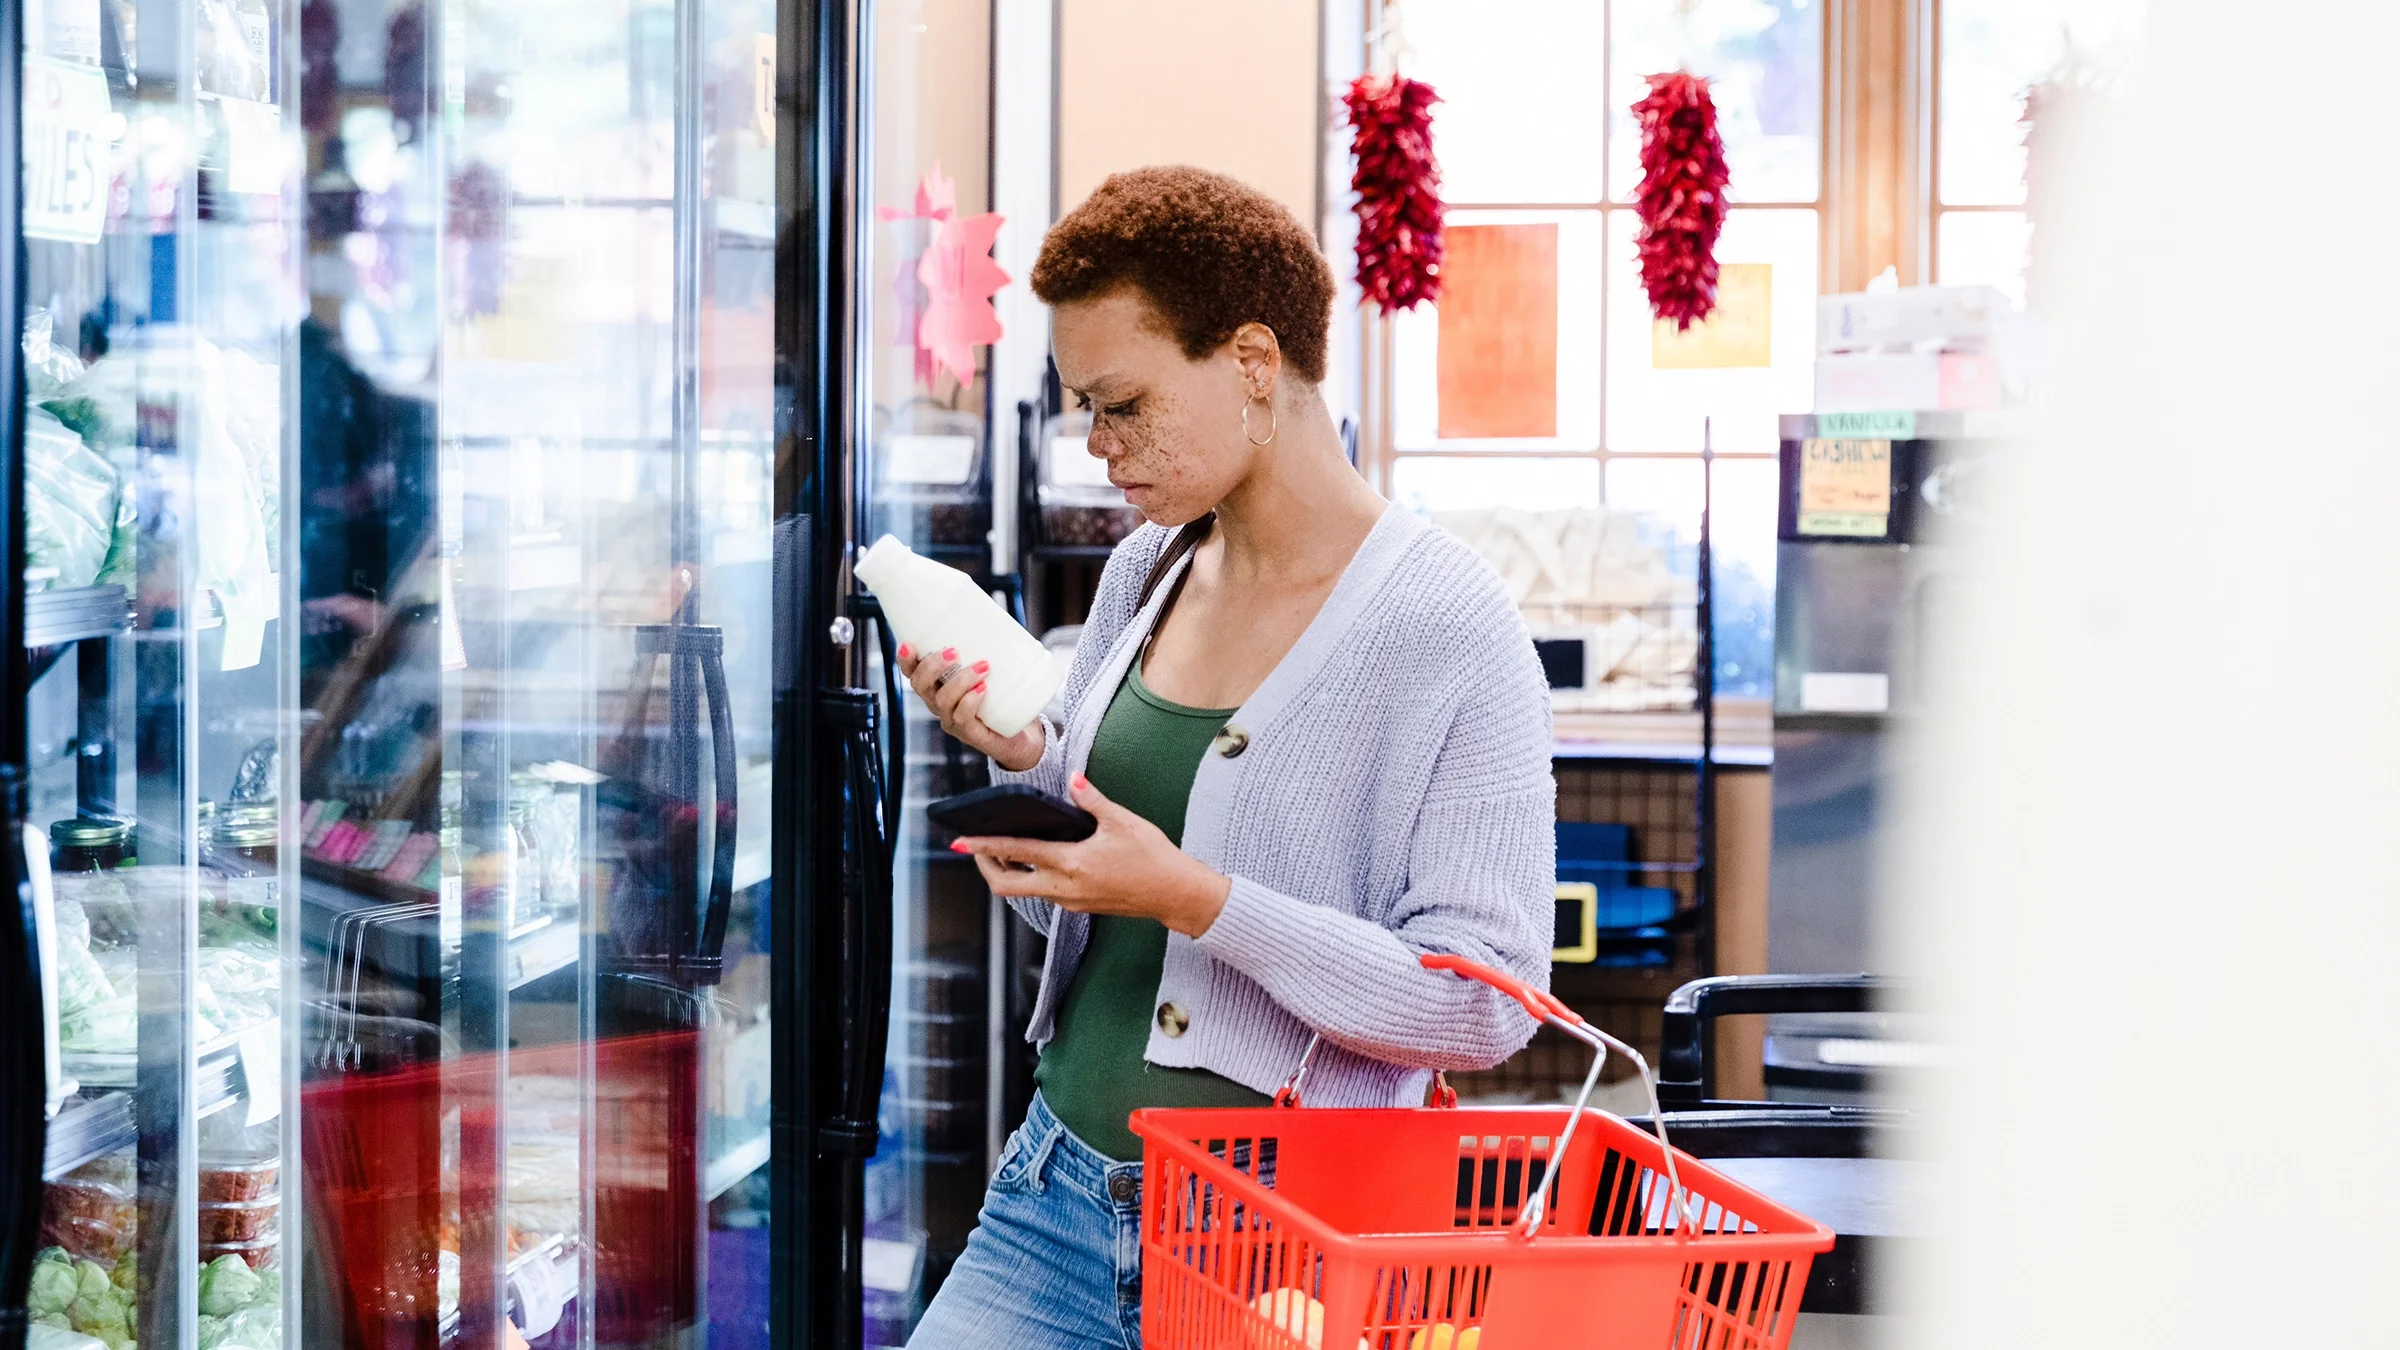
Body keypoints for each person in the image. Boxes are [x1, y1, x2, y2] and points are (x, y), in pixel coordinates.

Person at [899, 165, 1555, 1350]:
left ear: (1254, 363)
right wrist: (1033, 765)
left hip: (1285, 1249)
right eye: (1081, 410)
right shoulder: (1140, 575)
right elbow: (1098, 921)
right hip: (1052, 1199)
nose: (1098, 445)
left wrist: (1201, 902)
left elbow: (1484, 1006)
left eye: (1124, 403)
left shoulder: (1450, 627)